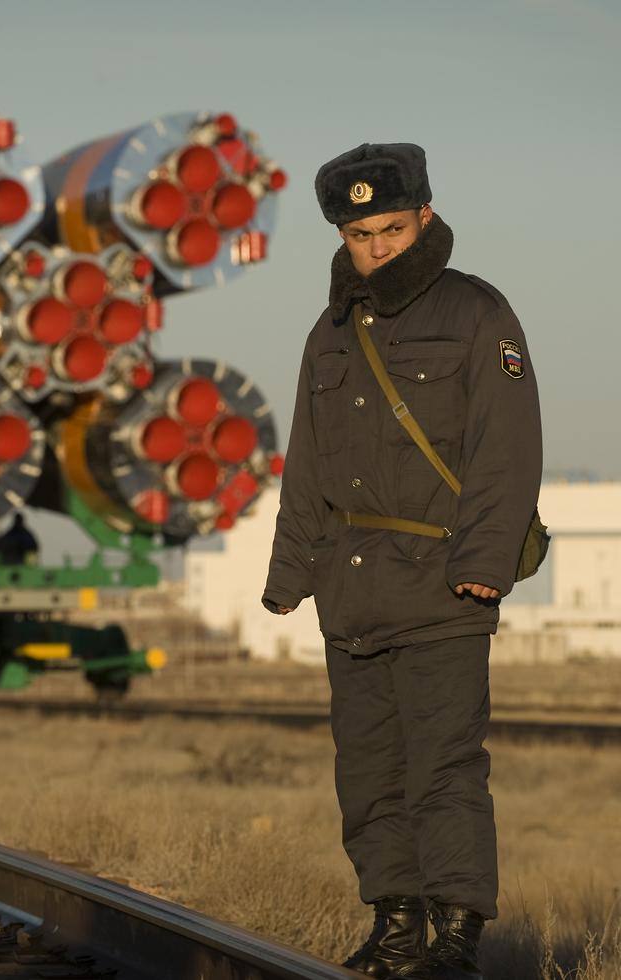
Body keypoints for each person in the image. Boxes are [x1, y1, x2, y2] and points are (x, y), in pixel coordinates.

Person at [262, 143, 542, 979]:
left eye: (390, 228)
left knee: (445, 768)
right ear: (341, 236)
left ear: (424, 215)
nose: (377, 247)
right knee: (368, 773)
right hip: (350, 589)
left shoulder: (478, 314)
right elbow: (305, 459)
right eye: (359, 234)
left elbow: (508, 450)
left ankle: (454, 941)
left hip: (443, 582)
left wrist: (485, 559)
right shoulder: (332, 328)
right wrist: (288, 575)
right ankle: (394, 929)